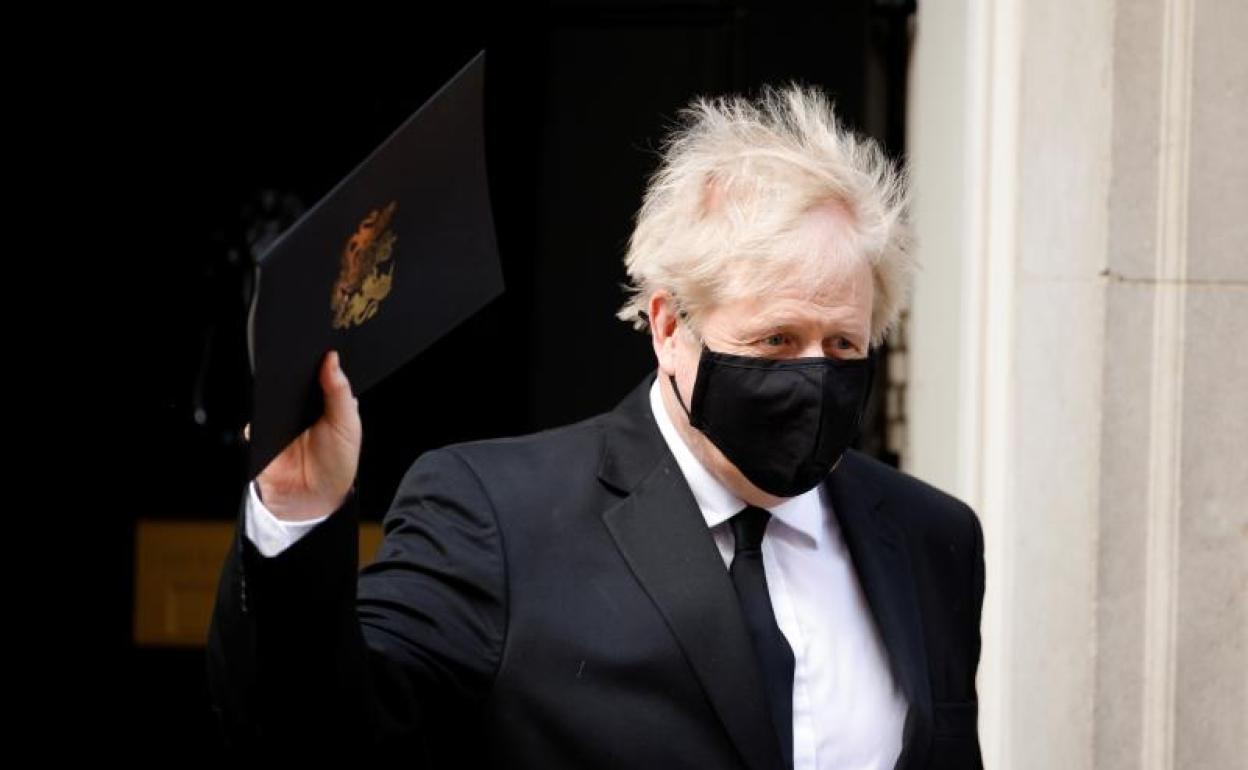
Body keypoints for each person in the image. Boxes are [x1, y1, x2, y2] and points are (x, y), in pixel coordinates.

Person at [207, 84, 985, 770]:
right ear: (668, 327)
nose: (812, 374)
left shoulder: (930, 540)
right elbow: (319, 735)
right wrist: (298, 509)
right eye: (776, 340)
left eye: (842, 345)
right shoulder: (496, 517)